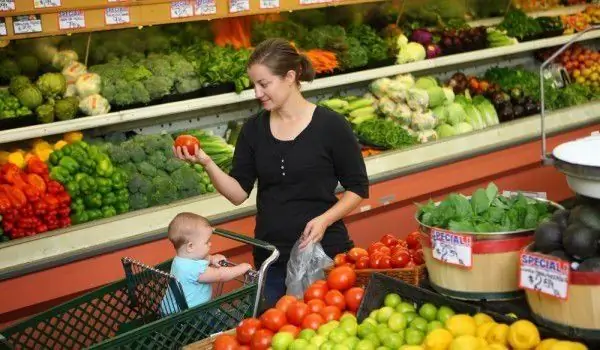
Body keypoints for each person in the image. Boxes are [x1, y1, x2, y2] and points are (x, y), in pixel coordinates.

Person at [174, 38, 369, 308]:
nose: (257, 92)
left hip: (324, 254)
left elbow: (357, 187)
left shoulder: (332, 126)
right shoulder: (253, 130)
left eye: (264, 84)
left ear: (290, 76)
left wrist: (324, 220)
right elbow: (238, 193)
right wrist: (206, 162)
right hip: (271, 257)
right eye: (254, 84)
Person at [161, 212, 252, 314]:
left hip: (171, 312)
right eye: (207, 241)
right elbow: (220, 275)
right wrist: (242, 268)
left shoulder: (179, 261)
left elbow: (197, 261)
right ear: (190, 246)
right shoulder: (195, 270)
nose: (210, 243)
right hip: (190, 317)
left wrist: (212, 259)